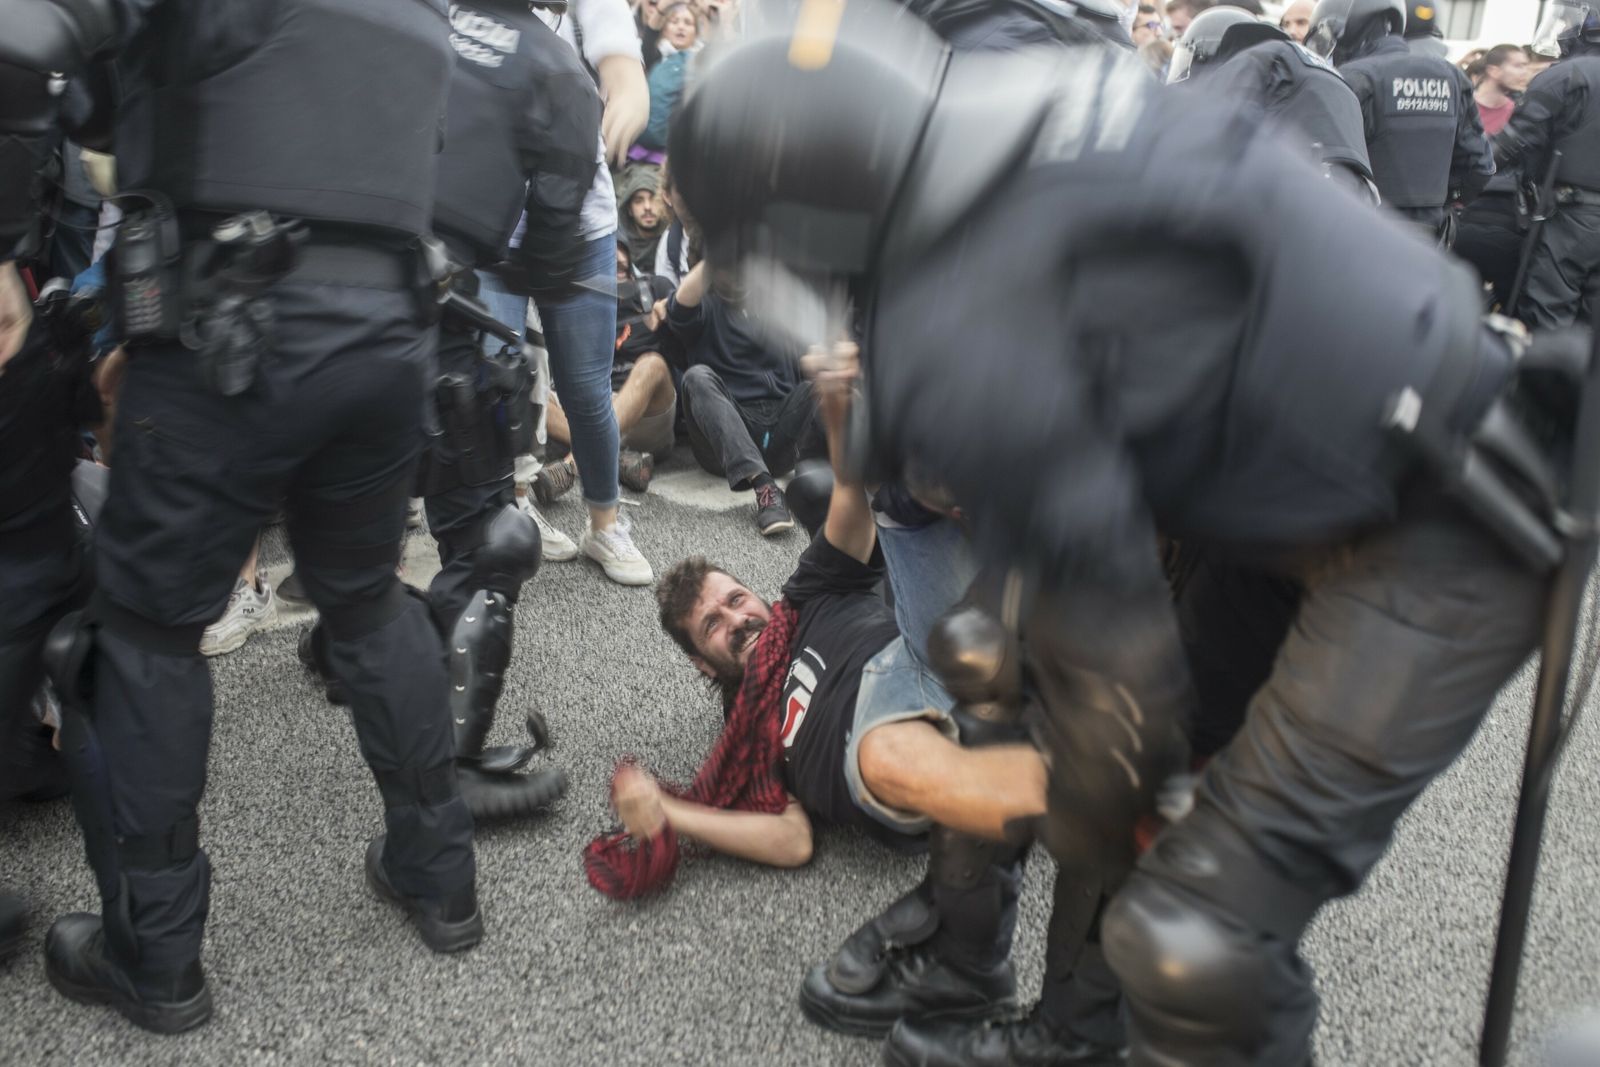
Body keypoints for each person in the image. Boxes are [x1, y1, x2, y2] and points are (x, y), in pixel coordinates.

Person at [671, 15, 1556, 1065]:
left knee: (1197, 938)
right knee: (1011, 669)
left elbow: (1116, 704)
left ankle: (1094, 1000)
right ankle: (1073, 1028)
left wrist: (1000, 777)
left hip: (1433, 535)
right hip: (1321, 484)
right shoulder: (1031, 116)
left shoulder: (957, 309)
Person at [4, 0, 487, 1035]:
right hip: (389, 336)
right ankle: (439, 877)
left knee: (142, 638)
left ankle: (157, 953)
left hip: (236, 329)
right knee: (361, 597)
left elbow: (37, 55)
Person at [655, 260, 821, 535]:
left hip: (781, 432)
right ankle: (764, 486)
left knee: (825, 382)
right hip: (725, 440)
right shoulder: (701, 307)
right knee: (696, 376)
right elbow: (680, 306)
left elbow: (811, 359)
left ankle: (826, 476)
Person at [1309, 0, 1494, 243]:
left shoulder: (1352, 78)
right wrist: (1436, 204)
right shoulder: (1451, 75)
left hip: (1360, 237)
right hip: (1430, 240)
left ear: (1348, 28)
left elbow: (1319, 165)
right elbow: (1480, 167)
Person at [1170, 5, 1376, 200]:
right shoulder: (1307, 66)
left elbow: (1220, 145)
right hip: (1354, 203)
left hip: (1296, 200)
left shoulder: (1253, 63)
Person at [1491, 0, 1600, 329]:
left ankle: (1545, 381)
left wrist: (1465, 181)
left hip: (1571, 216)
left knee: (1548, 308)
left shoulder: (1566, 75)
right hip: (1580, 215)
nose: (1564, 29)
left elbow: (1515, 142)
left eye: (1570, 21)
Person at [538, 243, 679, 496]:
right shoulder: (575, 302)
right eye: (603, 251)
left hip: (646, 411)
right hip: (591, 409)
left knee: (652, 363)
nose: (615, 256)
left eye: (619, 247)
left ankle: (573, 463)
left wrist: (673, 310)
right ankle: (616, 458)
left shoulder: (654, 287)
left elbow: (692, 328)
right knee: (533, 385)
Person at [637, 3, 700, 154]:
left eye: (688, 23)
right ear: (664, 29)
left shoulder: (700, 63)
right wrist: (663, 7)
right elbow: (650, 33)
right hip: (642, 150)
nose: (681, 27)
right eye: (674, 21)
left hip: (678, 151)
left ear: (695, 32)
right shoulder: (654, 57)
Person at [615, 164, 667, 275]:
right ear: (629, 209)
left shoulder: (672, 240)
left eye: (653, 199)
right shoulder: (618, 246)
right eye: (639, 200)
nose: (647, 207)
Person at [1473, 44, 1532, 135]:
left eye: (1526, 66)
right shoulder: (1463, 107)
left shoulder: (1517, 112)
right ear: (1493, 71)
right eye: (1518, 66)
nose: (1525, 72)